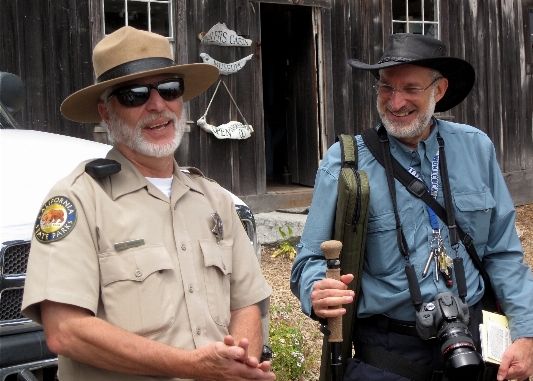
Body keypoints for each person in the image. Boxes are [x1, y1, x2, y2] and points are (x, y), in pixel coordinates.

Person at [21, 26, 275, 381]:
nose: (158, 105)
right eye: (134, 95)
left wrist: (237, 365)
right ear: (106, 113)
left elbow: (247, 300)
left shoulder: (214, 198)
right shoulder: (79, 200)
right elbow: (66, 331)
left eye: (169, 89)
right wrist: (192, 368)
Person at [290, 33, 533, 381]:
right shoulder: (345, 163)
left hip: (477, 343)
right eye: (386, 87)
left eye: (411, 88)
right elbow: (308, 262)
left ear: (440, 90)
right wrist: (317, 290)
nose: (395, 100)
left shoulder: (477, 149)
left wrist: (526, 334)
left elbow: (504, 254)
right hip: (389, 354)